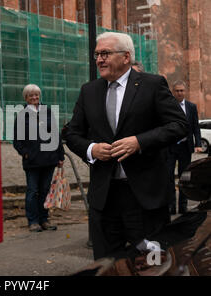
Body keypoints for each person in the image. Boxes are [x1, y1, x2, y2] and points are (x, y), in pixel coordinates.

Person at [63, 32, 188, 260]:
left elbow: (179, 125)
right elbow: (72, 134)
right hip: (105, 198)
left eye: (106, 53)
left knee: (153, 265)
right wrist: (92, 149)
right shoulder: (89, 91)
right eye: (97, 54)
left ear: (126, 57)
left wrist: (139, 142)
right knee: (106, 265)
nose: (99, 59)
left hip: (144, 198)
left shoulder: (152, 84)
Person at [13, 84, 65, 232]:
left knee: (45, 190)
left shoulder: (47, 111)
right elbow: (17, 141)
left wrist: (60, 156)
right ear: (26, 98)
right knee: (32, 191)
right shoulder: (22, 115)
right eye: (31, 95)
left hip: (49, 159)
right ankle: (33, 221)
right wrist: (25, 153)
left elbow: (56, 134)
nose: (35, 97)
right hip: (32, 161)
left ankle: (44, 219)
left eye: (36, 95)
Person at [167, 80, 202, 215]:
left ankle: (183, 206)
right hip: (170, 148)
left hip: (185, 147)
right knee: (169, 177)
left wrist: (198, 144)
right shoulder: (168, 106)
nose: (180, 93)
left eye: (182, 90)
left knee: (185, 177)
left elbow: (195, 127)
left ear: (185, 91)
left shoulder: (191, 107)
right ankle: (171, 206)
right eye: (177, 90)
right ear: (173, 92)